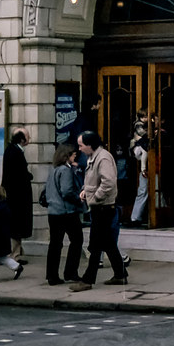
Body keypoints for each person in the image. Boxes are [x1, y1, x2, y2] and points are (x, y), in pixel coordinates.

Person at [69, 131, 127, 291]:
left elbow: (108, 183)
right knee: (108, 243)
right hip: (100, 207)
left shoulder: (103, 158)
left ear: (90, 145)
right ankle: (120, 274)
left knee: (95, 245)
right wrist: (85, 191)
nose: (79, 149)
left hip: (103, 207)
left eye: (81, 145)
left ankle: (88, 280)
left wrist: (93, 197)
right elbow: (93, 180)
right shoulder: (94, 157)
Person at [44, 142, 83, 286]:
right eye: (73, 155)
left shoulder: (54, 169)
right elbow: (67, 191)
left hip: (53, 211)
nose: (75, 156)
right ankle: (70, 272)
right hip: (66, 211)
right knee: (77, 240)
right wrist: (78, 199)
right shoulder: (66, 171)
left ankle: (52, 275)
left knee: (55, 244)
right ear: (67, 155)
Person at [1, 128, 33, 263]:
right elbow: (18, 174)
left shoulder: (13, 150)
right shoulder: (15, 152)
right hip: (17, 196)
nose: (29, 139)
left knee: (17, 225)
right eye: (27, 136)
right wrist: (28, 176)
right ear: (21, 139)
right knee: (16, 225)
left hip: (15, 195)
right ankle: (15, 254)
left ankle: (17, 252)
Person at [127, 108, 149, 227]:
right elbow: (142, 135)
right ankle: (135, 217)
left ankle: (137, 217)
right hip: (137, 148)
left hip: (139, 148)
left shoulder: (141, 125)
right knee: (144, 151)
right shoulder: (138, 125)